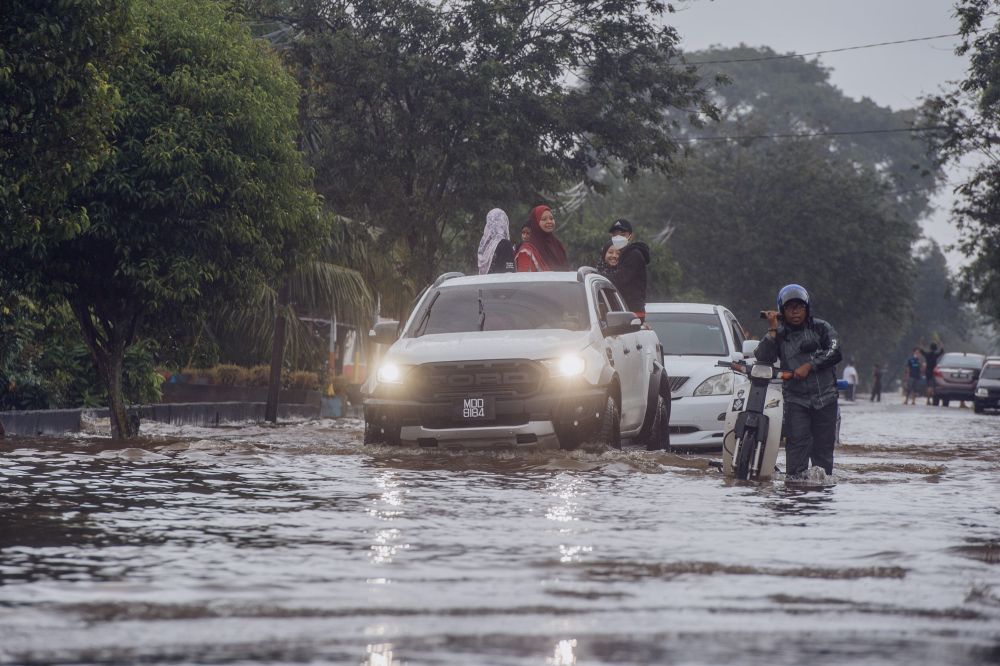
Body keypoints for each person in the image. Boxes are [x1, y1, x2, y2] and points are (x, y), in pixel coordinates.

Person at [755, 284, 842, 480]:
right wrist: (772, 330)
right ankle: (795, 494)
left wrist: (810, 365)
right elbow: (763, 357)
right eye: (789, 307)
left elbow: (835, 351)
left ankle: (819, 496)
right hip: (796, 400)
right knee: (796, 452)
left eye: (799, 306)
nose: (795, 311)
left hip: (825, 398)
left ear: (807, 308)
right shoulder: (780, 333)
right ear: (782, 310)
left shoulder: (822, 328)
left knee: (823, 455)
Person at [607, 218, 650, 321]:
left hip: (632, 314)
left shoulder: (633, 254)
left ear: (630, 236)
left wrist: (598, 275)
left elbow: (619, 279)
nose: (618, 237)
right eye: (615, 235)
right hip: (624, 311)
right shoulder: (623, 254)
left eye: (622, 234)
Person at [515, 205, 569, 272]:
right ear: (535, 223)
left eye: (551, 218)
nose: (549, 221)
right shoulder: (527, 250)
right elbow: (525, 279)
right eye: (544, 219)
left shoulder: (557, 245)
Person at [476, 208, 516, 275]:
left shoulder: (484, 247)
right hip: (500, 284)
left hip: (486, 284)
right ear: (504, 223)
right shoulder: (505, 244)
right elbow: (509, 274)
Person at [918, 339, 945, 405]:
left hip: (927, 371)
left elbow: (921, 351)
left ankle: (928, 400)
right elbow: (942, 351)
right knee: (932, 387)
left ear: (930, 348)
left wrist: (921, 343)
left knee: (928, 386)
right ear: (935, 348)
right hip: (934, 371)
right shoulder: (935, 355)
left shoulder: (927, 354)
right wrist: (941, 343)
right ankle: (932, 399)